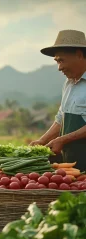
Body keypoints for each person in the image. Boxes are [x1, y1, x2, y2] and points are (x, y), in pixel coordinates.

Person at [30, 29, 86, 171]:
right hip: (72, 161)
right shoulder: (69, 84)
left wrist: (62, 139)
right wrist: (42, 140)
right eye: (57, 61)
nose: (59, 67)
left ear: (79, 55)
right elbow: (61, 118)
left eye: (62, 60)